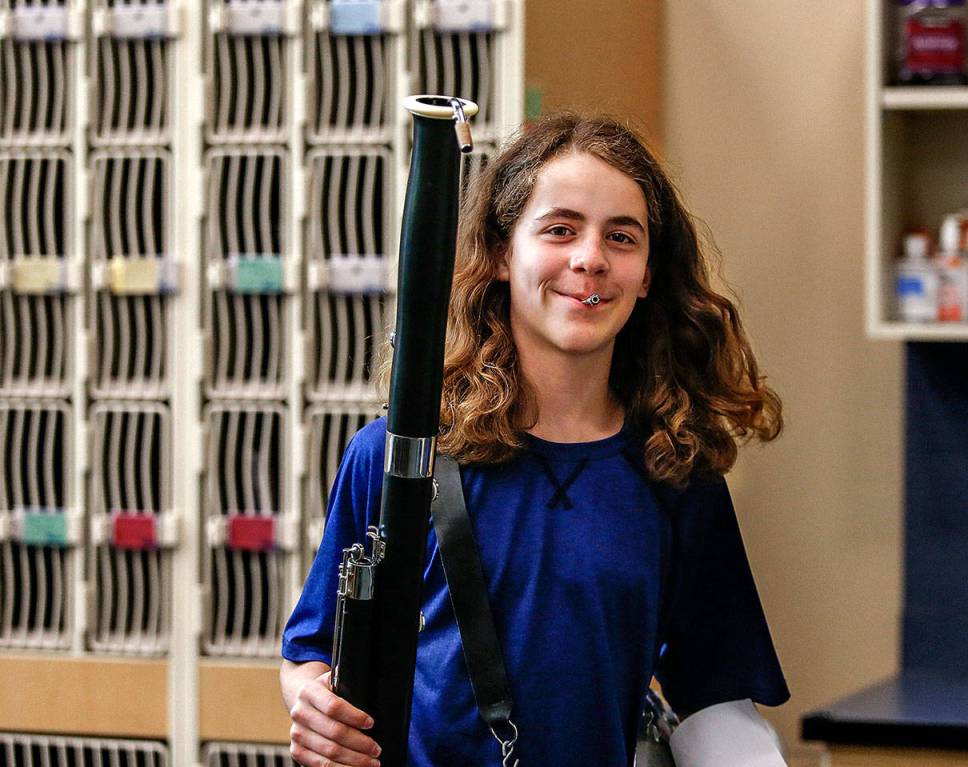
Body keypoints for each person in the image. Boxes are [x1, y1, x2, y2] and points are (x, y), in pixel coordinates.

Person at [280, 113, 790, 767]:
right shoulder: (393, 455)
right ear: (500, 253)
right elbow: (311, 650)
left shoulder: (675, 468)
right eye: (559, 229)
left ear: (649, 272)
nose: (590, 258)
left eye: (622, 236)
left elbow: (714, 696)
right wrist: (314, 705)